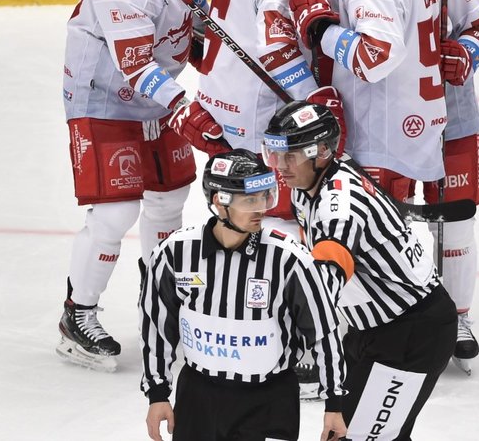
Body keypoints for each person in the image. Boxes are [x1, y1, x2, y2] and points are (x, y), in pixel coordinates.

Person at [56, 0, 221, 371]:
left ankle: (162, 306)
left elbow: (196, 20)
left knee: (169, 201)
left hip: (156, 95)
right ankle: (76, 315)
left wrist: (211, 48)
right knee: (115, 213)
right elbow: (135, 66)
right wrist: (185, 107)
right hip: (103, 96)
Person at [329, 0, 479, 372]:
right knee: (382, 230)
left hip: (452, 117)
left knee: (457, 224)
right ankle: (383, 321)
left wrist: (466, 52)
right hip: (380, 128)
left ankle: (457, 317)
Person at [262, 102, 457, 440]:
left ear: (321, 152)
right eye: (275, 154)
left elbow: (329, 271)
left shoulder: (338, 206)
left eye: (290, 156)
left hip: (412, 333)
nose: (280, 166)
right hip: (371, 328)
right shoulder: (310, 185)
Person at [140, 149, 347, 441]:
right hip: (198, 398)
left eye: (265, 197)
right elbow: (156, 326)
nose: (261, 208)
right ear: (219, 202)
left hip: (269, 401)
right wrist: (158, 393)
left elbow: (324, 333)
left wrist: (334, 403)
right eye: (250, 200)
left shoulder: (289, 259)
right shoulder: (175, 253)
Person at [174, 0, 342, 230]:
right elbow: (274, 48)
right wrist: (313, 104)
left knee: (234, 217)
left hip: (218, 102)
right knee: (277, 220)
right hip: (259, 118)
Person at [289, 0, 447, 203]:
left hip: (379, 137)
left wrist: (320, 30)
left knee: (365, 245)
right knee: (391, 236)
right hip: (416, 130)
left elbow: (373, 60)